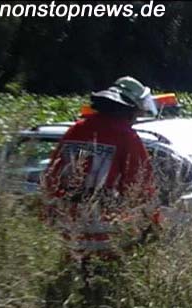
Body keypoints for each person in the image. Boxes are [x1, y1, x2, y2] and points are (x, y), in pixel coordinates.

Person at [43, 76, 161, 262]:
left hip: (68, 235)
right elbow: (140, 189)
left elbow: (51, 178)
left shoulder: (76, 130)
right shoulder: (126, 137)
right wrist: (154, 226)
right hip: (105, 240)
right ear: (129, 110)